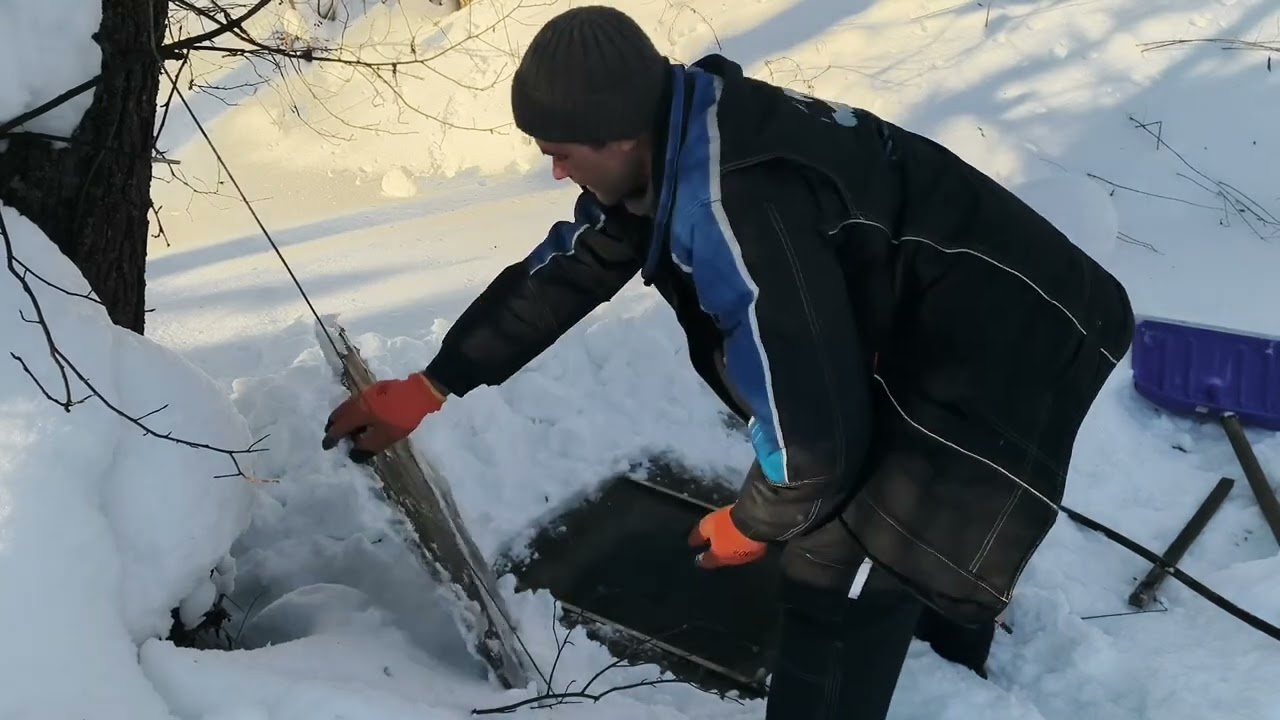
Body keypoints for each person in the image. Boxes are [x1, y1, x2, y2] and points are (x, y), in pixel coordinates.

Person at [322, 5, 1136, 718]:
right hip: (960, 304)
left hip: (1014, 331)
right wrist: (435, 382)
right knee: (877, 517)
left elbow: (814, 441)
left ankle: (926, 641)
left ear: (620, 134)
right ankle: (942, 629)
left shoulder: (732, 205)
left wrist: (756, 521)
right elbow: (575, 261)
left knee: (839, 561)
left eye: (562, 152)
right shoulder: (683, 129)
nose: (556, 170)